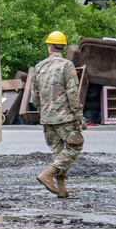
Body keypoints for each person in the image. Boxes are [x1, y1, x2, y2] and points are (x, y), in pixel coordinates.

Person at [30, 31, 86, 198]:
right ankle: (48, 174)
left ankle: (61, 189)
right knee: (75, 145)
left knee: (58, 151)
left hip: (47, 117)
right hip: (65, 117)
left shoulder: (39, 67)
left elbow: (35, 96)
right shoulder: (67, 66)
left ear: (49, 47)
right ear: (63, 47)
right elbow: (73, 94)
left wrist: (43, 112)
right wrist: (79, 115)